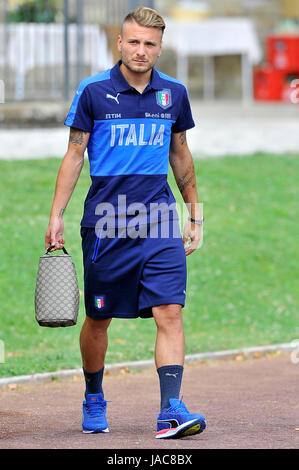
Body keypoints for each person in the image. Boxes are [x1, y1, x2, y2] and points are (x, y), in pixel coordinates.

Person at [45, 6, 206, 439]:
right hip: (106, 224)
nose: (140, 51)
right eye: (133, 42)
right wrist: (56, 215)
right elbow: (75, 155)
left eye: (149, 44)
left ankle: (171, 409)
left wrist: (194, 211)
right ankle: (94, 396)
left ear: (160, 47)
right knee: (99, 320)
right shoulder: (93, 91)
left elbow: (180, 153)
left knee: (170, 310)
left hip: (159, 219)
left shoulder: (173, 93)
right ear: (119, 42)